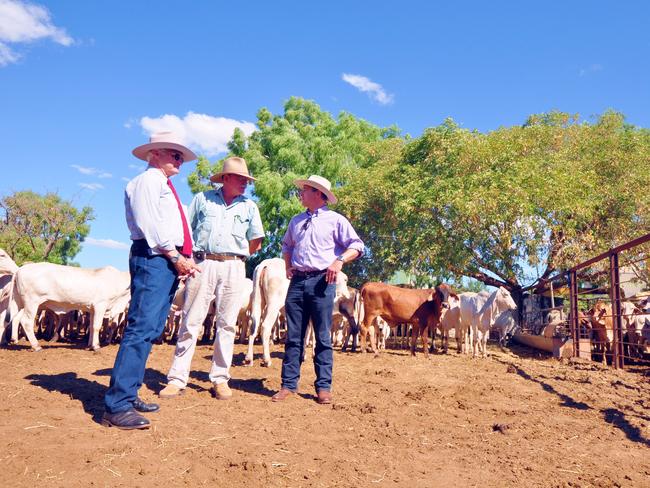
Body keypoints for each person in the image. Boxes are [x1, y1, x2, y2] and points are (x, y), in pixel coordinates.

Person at [102, 132, 201, 430]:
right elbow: (150, 225)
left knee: (150, 328)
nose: (179, 159)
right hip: (154, 258)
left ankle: (127, 396)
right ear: (154, 153)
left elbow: (170, 225)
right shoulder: (148, 182)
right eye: (174, 153)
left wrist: (185, 255)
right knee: (141, 328)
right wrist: (175, 256)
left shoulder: (164, 185)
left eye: (181, 156)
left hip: (163, 260)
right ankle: (117, 406)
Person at [159, 157, 264, 400]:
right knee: (191, 320)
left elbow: (256, 240)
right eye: (240, 179)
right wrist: (187, 259)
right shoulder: (202, 199)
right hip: (202, 263)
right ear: (225, 178)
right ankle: (177, 379)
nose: (245, 184)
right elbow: (185, 229)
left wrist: (240, 255)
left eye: (246, 180)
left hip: (234, 265)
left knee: (227, 323)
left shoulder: (249, 206)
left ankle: (220, 378)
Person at [272, 175, 364, 404]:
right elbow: (286, 245)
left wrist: (339, 260)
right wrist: (287, 265)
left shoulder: (336, 220)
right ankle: (288, 385)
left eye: (304, 190)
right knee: (294, 335)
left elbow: (358, 246)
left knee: (323, 335)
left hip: (323, 281)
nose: (300, 193)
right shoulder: (296, 221)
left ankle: (323, 387)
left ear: (318, 194)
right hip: (297, 282)